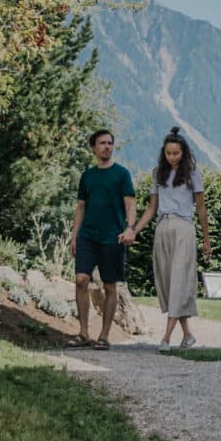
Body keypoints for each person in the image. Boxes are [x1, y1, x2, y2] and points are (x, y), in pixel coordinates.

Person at [129, 127, 210, 352]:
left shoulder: (193, 174)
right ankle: (188, 335)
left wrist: (206, 240)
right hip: (162, 228)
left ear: (183, 152)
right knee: (168, 281)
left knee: (178, 280)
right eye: (168, 153)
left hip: (184, 228)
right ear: (164, 153)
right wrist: (134, 230)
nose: (172, 157)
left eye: (176, 153)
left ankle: (165, 338)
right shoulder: (158, 174)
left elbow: (201, 208)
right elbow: (151, 208)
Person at [68, 128, 136, 350]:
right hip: (87, 236)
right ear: (94, 148)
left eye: (110, 143)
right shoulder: (87, 176)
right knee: (81, 280)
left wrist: (130, 228)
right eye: (102, 143)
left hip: (112, 238)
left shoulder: (122, 174)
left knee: (109, 286)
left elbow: (130, 204)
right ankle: (83, 332)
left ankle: (104, 336)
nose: (107, 146)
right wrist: (74, 236)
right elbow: (80, 207)